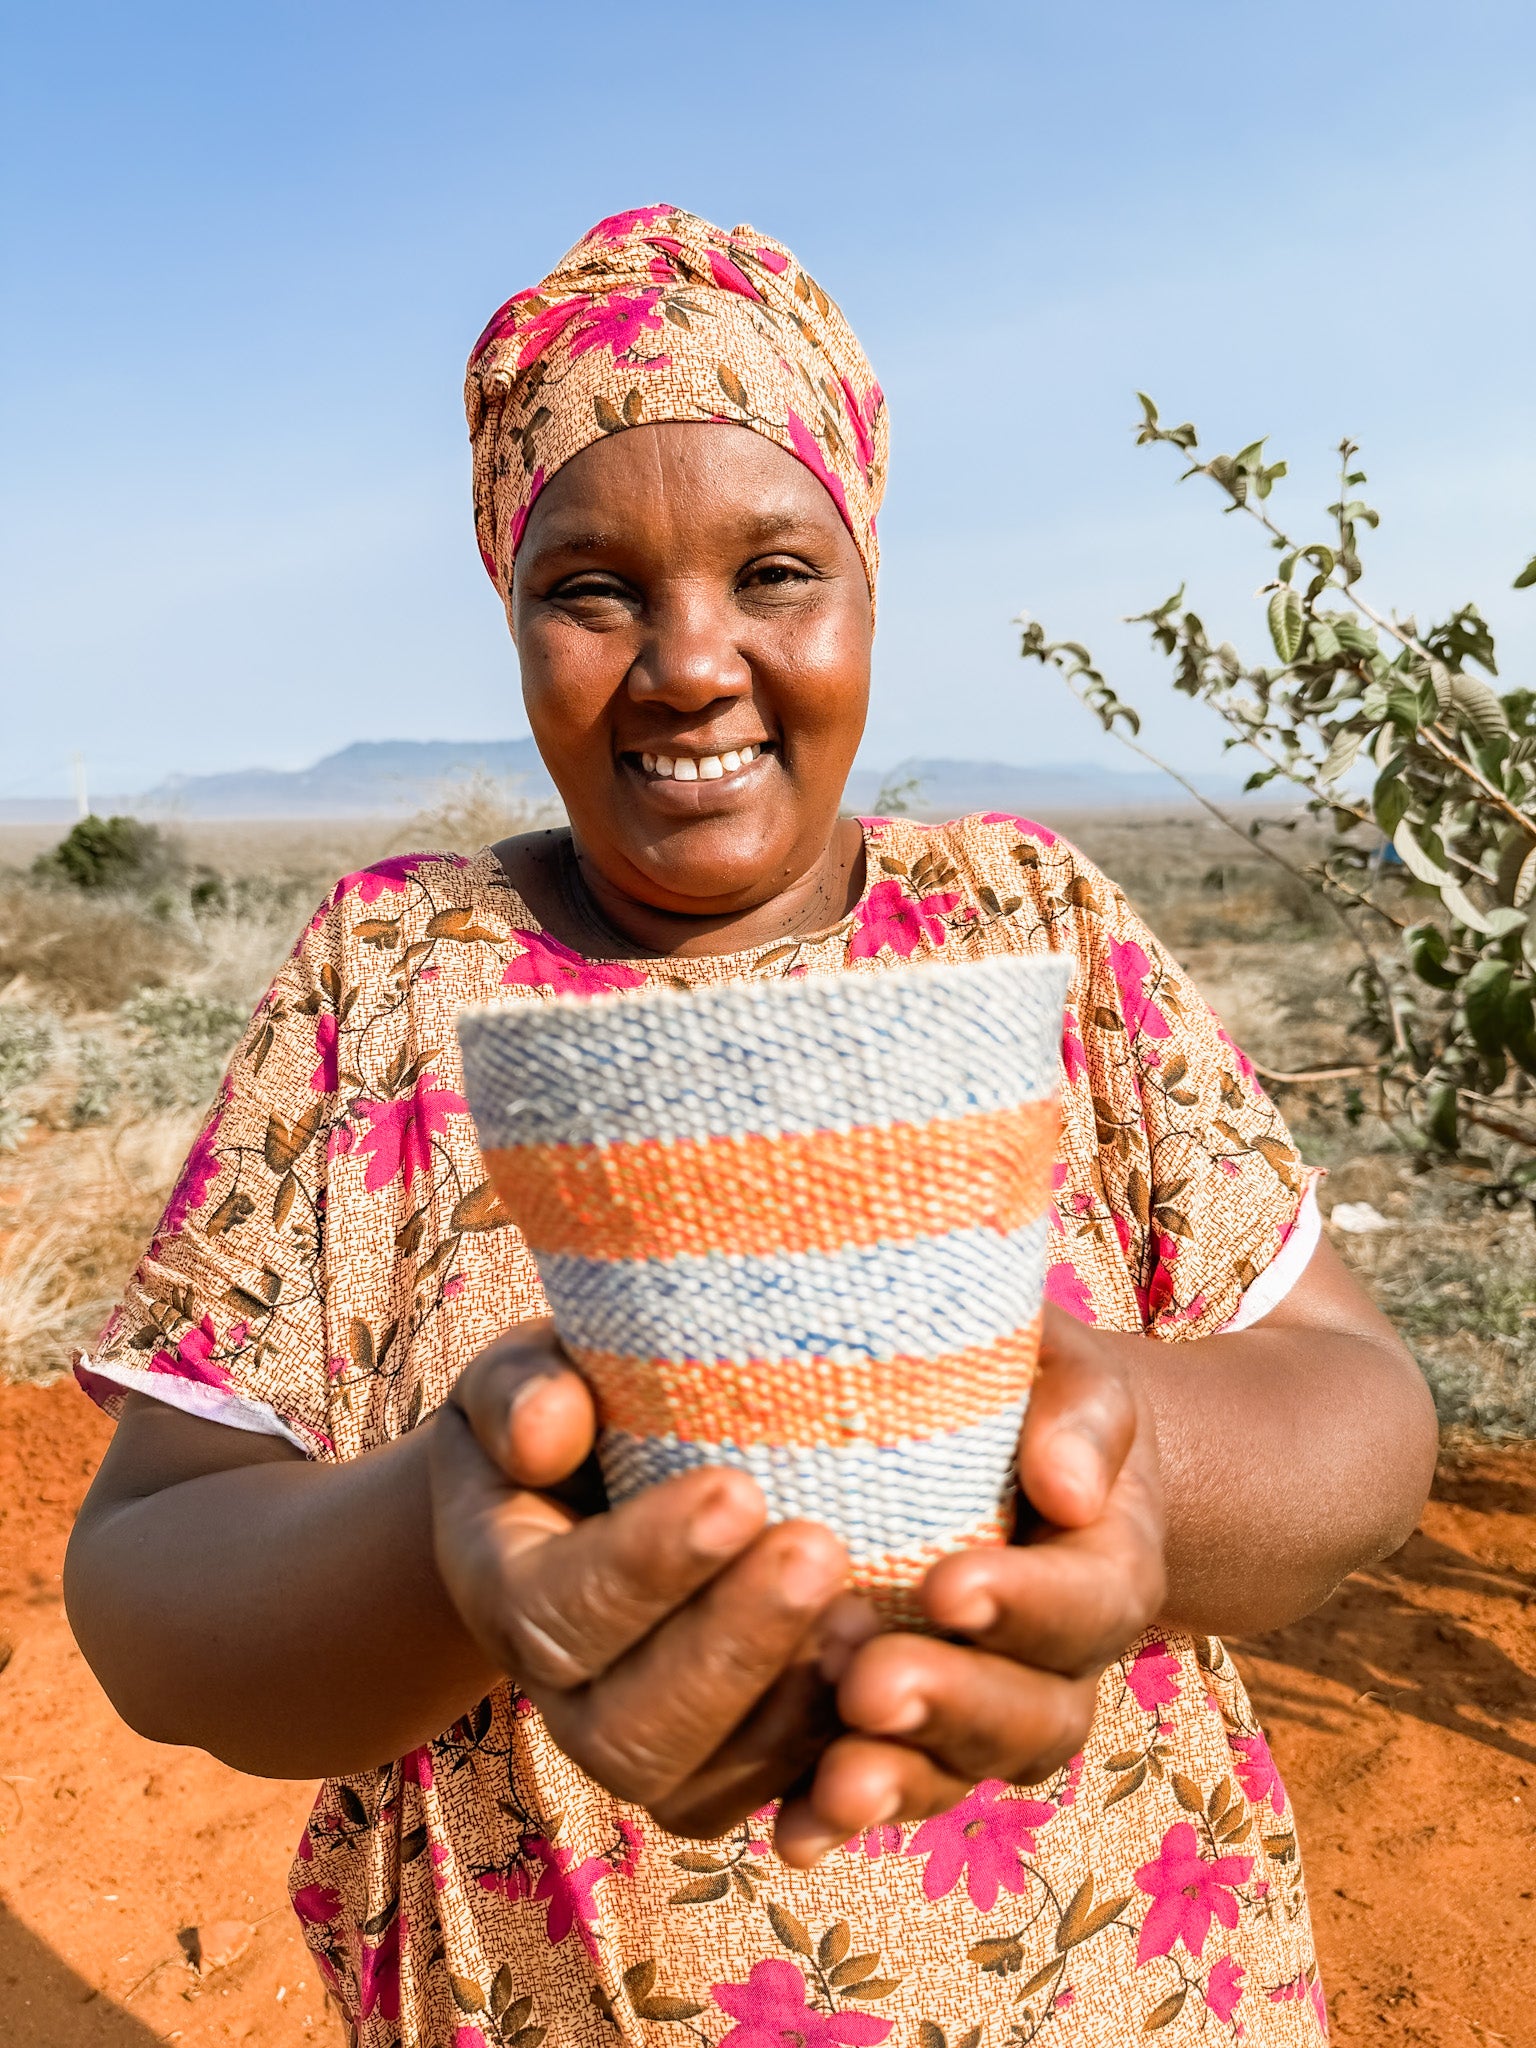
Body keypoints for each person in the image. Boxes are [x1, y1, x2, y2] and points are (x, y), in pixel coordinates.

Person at [65, 205, 1436, 2046]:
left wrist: (1109, 1462)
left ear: (869, 588)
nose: (689, 663)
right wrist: (455, 1534)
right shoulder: (395, 978)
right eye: (594, 589)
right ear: (513, 611)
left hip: (1129, 1987)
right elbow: (155, 1581)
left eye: (775, 570)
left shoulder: (1036, 932)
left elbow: (1358, 1401)